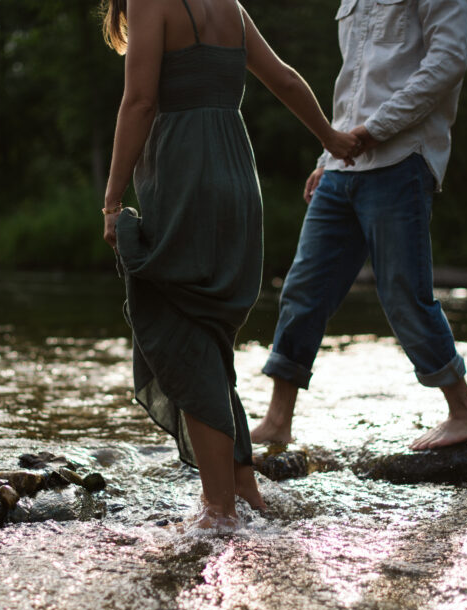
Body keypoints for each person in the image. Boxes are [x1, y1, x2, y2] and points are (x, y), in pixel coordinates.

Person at [101, 0, 357, 529]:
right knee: (210, 336)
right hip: (238, 181)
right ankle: (244, 489)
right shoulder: (230, 6)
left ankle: (219, 511)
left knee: (180, 332)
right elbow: (284, 80)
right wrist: (330, 138)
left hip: (184, 178)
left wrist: (111, 200)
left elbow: (140, 102)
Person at [249, 0, 467, 450]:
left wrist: (372, 131)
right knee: (303, 289)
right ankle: (278, 420)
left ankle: (465, 414)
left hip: (401, 158)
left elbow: (447, 64)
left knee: (403, 290)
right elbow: (354, 81)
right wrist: (329, 155)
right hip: (344, 165)